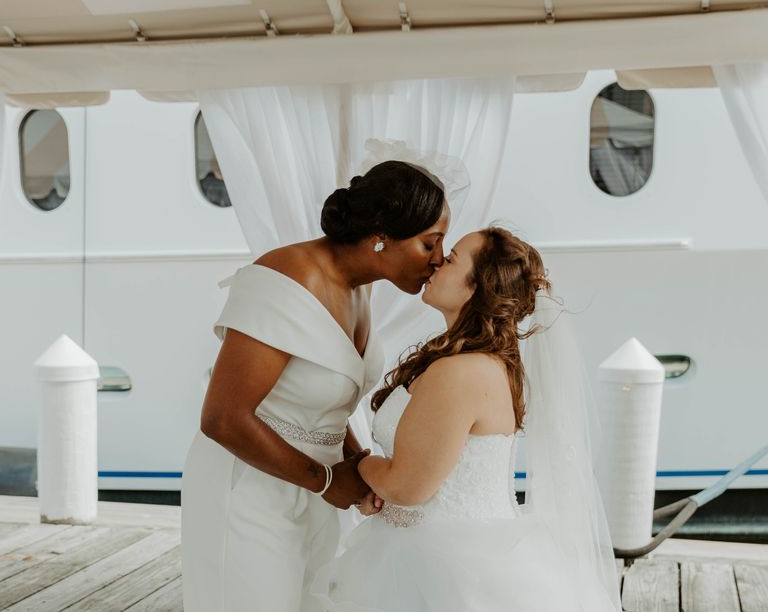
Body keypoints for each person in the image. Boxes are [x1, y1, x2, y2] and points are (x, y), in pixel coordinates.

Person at [181, 160, 450, 612]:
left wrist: (358, 464)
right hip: (251, 487)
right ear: (381, 234)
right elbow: (222, 417)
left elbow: (327, 403)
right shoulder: (289, 276)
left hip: (315, 486)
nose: (440, 260)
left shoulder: (359, 287)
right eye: (430, 243)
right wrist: (326, 481)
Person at [313, 226, 622, 611]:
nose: (438, 261)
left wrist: (362, 467)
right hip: (437, 552)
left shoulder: (460, 372)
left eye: (453, 258)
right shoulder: (480, 361)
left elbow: (408, 487)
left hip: (446, 569)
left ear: (478, 286)